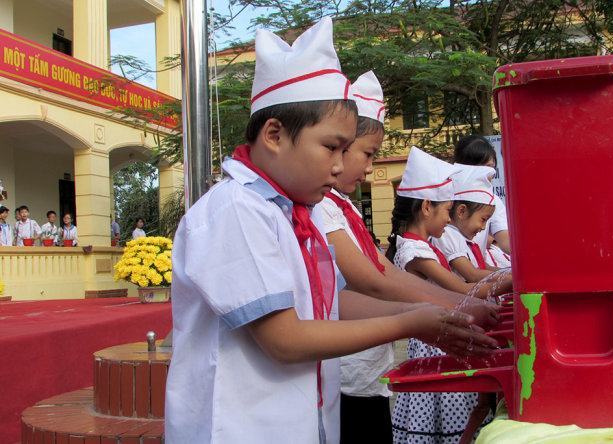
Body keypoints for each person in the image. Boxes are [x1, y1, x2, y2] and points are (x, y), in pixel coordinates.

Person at [164, 18, 499, 444]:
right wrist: (409, 321)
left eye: (346, 150)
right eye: (330, 147)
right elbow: (284, 338)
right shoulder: (236, 210)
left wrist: (417, 316)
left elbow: (326, 302)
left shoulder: (292, 211)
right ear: (274, 134)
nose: (341, 166)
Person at [318, 73, 499, 443]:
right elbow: (373, 279)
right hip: (345, 374)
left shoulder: (340, 207)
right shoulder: (321, 207)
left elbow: (374, 273)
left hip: (365, 368)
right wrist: (454, 307)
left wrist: (454, 307)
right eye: (366, 154)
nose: (368, 168)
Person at [387, 147, 506, 444]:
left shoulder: (425, 246)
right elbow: (465, 292)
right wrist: (514, 278)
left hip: (441, 337)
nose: (449, 220)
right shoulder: (414, 251)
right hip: (433, 344)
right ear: (427, 207)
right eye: (446, 210)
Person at [432, 165, 499, 283]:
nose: (483, 227)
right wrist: (511, 279)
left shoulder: (463, 239)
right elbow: (472, 274)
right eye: (483, 219)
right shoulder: (447, 235)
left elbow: (483, 268)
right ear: (461, 211)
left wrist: (509, 272)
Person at [454, 135, 510, 255]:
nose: (490, 174)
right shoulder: (444, 197)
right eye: (483, 168)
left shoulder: (492, 201)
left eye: (491, 167)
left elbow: (504, 238)